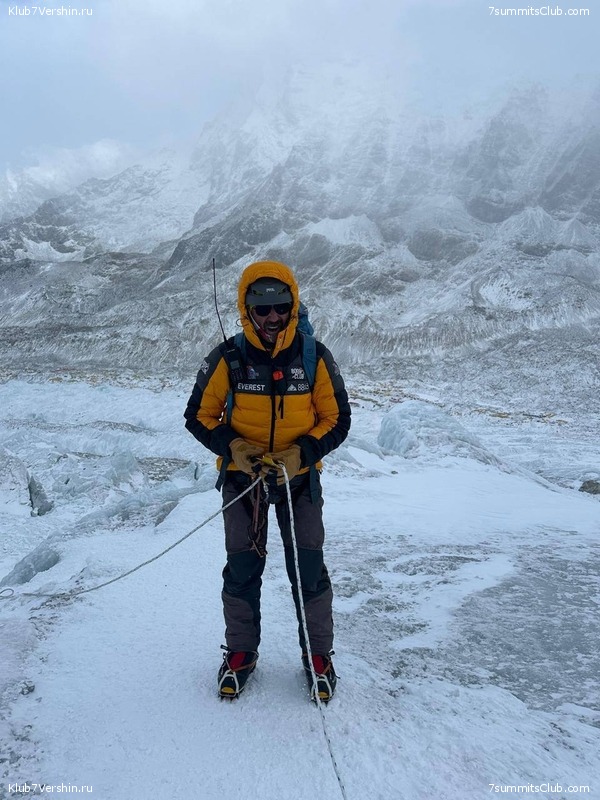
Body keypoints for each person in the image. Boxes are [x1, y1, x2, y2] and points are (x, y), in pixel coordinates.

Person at [184, 260, 351, 702]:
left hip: (300, 481)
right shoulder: (227, 358)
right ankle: (241, 652)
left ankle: (318, 655)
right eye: (262, 309)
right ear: (247, 309)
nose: (273, 317)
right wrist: (234, 448)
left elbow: (338, 419)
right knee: (242, 569)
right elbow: (198, 416)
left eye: (281, 307)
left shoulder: (314, 356)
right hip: (244, 480)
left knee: (308, 570)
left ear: (293, 306)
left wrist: (302, 454)